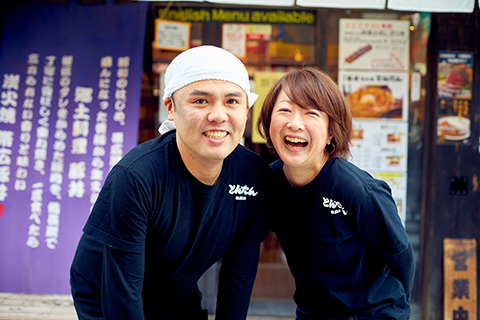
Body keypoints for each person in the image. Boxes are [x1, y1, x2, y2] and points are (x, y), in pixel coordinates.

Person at [70, 45, 272, 320]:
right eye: (200, 101)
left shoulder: (254, 176)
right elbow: (123, 294)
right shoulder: (137, 177)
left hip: (177, 293)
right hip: (108, 296)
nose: (218, 115)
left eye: (232, 102)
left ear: (246, 109)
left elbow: (238, 280)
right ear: (171, 109)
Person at [257, 67, 415, 320]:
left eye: (311, 113)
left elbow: (400, 253)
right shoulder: (269, 183)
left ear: (331, 132)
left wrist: (397, 305)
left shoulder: (354, 189)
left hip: (372, 313)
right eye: (285, 110)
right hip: (312, 312)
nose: (295, 123)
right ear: (268, 121)